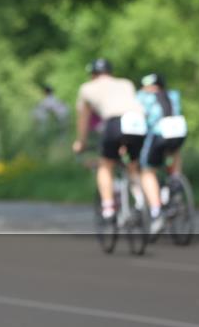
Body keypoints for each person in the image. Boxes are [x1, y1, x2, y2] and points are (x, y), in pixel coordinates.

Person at [72, 58, 164, 236]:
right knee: (133, 165)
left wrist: (81, 142)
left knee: (106, 165)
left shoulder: (86, 88)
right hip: (138, 122)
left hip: (115, 122)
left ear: (93, 74)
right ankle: (140, 200)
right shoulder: (126, 83)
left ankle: (108, 208)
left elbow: (84, 118)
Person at [137, 73, 188, 201]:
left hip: (158, 134)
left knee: (147, 170)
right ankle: (175, 178)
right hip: (178, 132)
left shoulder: (144, 97)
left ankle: (155, 207)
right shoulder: (173, 95)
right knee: (174, 152)